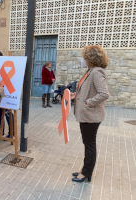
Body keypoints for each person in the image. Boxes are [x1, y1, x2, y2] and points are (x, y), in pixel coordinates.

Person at [71, 45, 109, 182]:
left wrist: (88, 103)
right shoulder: (90, 71)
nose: (83, 59)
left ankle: (86, 172)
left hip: (91, 116)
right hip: (87, 115)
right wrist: (76, 95)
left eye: (85, 56)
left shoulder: (96, 72)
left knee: (89, 144)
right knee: (87, 143)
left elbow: (104, 94)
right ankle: (85, 170)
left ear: (91, 57)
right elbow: (87, 90)